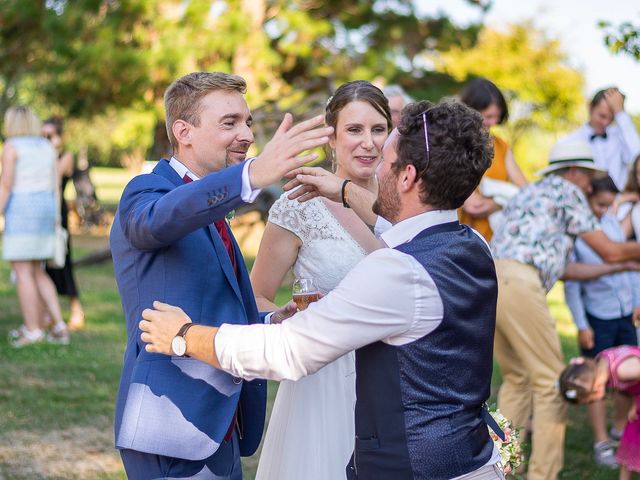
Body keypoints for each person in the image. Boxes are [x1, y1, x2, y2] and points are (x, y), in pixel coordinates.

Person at [141, 99, 508, 479]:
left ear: (407, 176)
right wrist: (344, 191)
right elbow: (399, 229)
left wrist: (184, 336)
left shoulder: (398, 271)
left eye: (388, 158)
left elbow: (289, 350)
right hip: (473, 463)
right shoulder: (471, 245)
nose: (377, 163)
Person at [110, 71, 332, 480]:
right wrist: (250, 177)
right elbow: (159, 221)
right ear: (183, 131)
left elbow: (217, 299)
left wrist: (271, 319)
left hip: (223, 422)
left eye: (246, 122)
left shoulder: (212, 205)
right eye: (229, 122)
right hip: (172, 421)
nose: (246, 134)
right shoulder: (146, 192)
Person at [251, 80, 389, 480]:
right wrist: (285, 317)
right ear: (331, 138)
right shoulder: (299, 205)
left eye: (377, 129)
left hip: (394, 376)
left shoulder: (404, 201)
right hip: (324, 382)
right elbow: (256, 294)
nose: (368, 143)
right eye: (354, 130)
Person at [490, 139, 640, 480]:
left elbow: (566, 270)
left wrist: (621, 269)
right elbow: (612, 251)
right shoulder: (568, 191)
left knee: (517, 380)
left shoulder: (534, 193)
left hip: (493, 280)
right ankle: (543, 474)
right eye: (588, 176)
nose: (589, 184)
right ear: (573, 171)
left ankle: (501, 469)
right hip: (520, 282)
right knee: (551, 383)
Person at [564, 175, 640, 466]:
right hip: (598, 316)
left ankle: (620, 428)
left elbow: (630, 268)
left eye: (608, 206)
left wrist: (635, 301)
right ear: (587, 197)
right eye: (599, 205)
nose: (603, 211)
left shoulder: (610, 225)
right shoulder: (577, 232)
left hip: (623, 312)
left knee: (627, 381)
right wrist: (582, 324)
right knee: (593, 381)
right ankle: (601, 442)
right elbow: (572, 284)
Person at [0, 106, 69, 347]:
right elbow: (55, 185)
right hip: (46, 210)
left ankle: (33, 330)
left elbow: (6, 185)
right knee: (38, 270)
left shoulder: (12, 147)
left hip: (22, 211)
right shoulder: (46, 146)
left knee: (22, 271)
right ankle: (59, 325)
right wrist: (56, 218)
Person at [458, 77, 527, 241]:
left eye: (497, 117)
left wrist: (496, 203)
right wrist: (504, 199)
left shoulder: (501, 146)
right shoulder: (457, 144)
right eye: (488, 116)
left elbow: (525, 190)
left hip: (496, 238)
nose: (493, 123)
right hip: (466, 238)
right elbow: (473, 205)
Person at [560, 347, 640, 480]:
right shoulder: (601, 364)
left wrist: (637, 404)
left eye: (590, 401)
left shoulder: (623, 371)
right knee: (631, 435)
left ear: (596, 389)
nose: (591, 403)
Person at [42, 117, 85, 330]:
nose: (45, 139)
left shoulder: (65, 156)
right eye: (42, 135)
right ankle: (49, 312)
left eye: (49, 135)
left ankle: (76, 309)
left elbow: (54, 176)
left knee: (64, 261)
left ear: (59, 136)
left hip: (59, 213)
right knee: (45, 265)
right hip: (42, 211)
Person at [563, 87, 640, 191]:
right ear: (590, 107)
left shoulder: (621, 137)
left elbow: (637, 157)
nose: (606, 122)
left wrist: (620, 113)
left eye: (611, 118)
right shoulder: (570, 142)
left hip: (619, 204)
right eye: (602, 116)